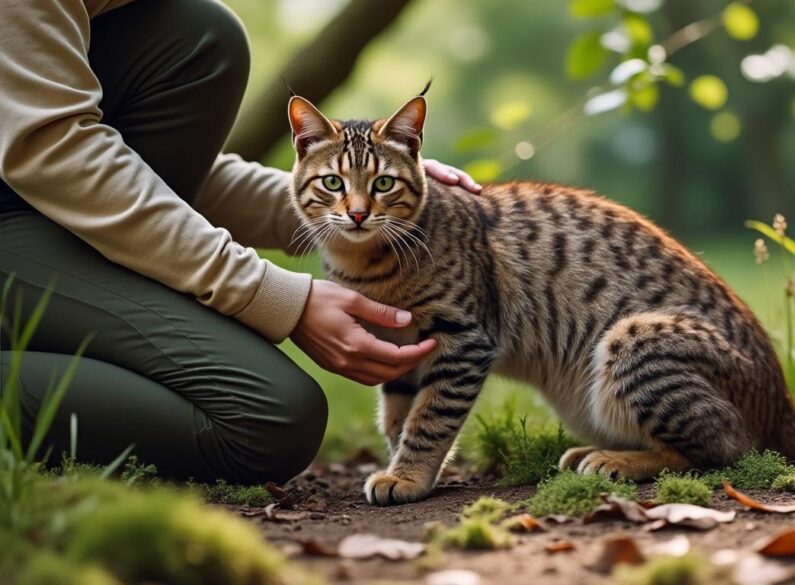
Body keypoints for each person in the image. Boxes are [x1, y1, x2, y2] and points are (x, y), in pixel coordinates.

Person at [0, 0, 481, 484]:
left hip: (35, 205)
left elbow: (120, 165)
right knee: (268, 420)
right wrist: (275, 296)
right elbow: (52, 150)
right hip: (20, 212)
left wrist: (331, 205)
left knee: (203, 35)